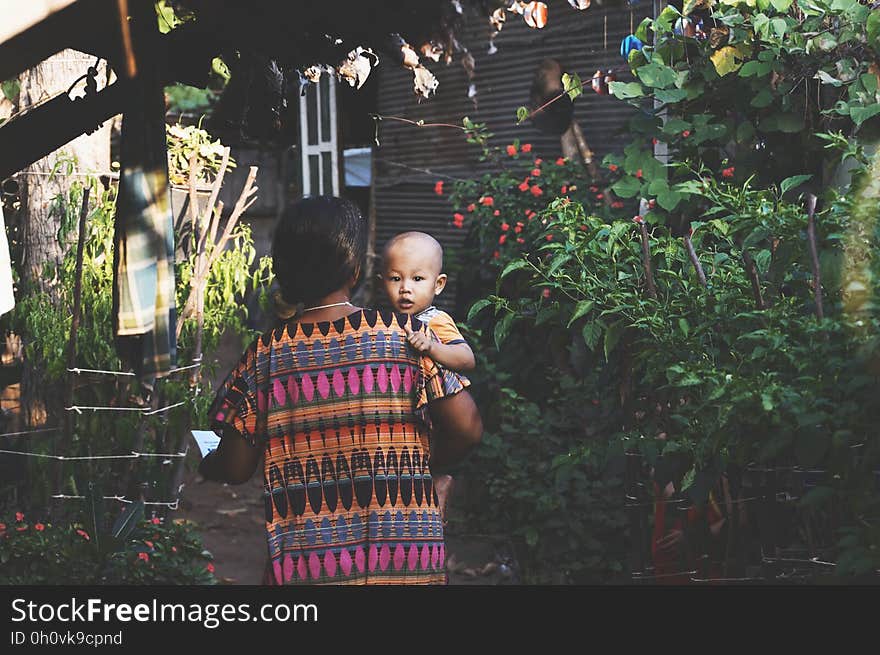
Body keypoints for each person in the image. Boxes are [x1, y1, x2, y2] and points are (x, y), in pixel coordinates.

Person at [199, 196, 482, 585]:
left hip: (309, 566)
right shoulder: (407, 335)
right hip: (405, 557)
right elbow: (466, 428)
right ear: (356, 269)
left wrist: (206, 462)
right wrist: (415, 473)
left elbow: (234, 467)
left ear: (283, 271)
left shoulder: (264, 355)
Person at [379, 231, 476, 524]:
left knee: (420, 468)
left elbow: (466, 358)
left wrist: (432, 346)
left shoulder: (435, 320)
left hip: (435, 414)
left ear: (439, 284)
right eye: (396, 279)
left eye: (417, 279)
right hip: (404, 415)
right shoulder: (386, 322)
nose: (405, 289)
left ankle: (438, 481)